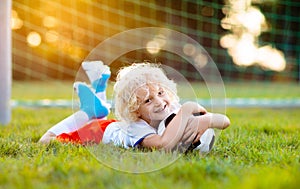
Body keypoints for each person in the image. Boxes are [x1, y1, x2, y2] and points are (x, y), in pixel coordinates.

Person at [39, 62, 230, 153]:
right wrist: (188, 109)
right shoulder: (135, 126)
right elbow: (163, 144)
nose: (158, 102)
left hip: (111, 125)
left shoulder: (172, 108)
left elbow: (225, 121)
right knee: (47, 141)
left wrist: (206, 120)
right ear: (135, 111)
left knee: (98, 116)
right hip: (101, 132)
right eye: (148, 101)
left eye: (160, 93)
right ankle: (91, 109)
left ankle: (98, 92)